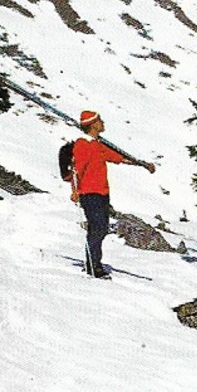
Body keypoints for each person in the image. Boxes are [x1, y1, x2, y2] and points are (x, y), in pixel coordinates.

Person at [67, 110, 155, 279]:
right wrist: (75, 191)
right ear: (93, 124)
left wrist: (142, 164)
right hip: (89, 193)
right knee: (97, 228)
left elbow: (119, 158)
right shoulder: (82, 144)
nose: (103, 123)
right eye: (100, 120)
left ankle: (93, 262)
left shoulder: (98, 145)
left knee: (101, 228)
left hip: (102, 193)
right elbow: (76, 169)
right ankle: (93, 265)